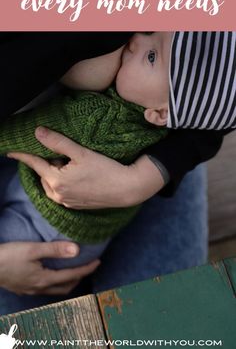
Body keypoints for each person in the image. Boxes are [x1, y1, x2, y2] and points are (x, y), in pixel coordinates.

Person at [0, 32, 227, 314]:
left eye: (151, 51)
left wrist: (148, 176)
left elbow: (224, 92)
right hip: (52, 220)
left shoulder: (97, 118)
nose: (135, 40)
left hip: (152, 162)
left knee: (155, 321)